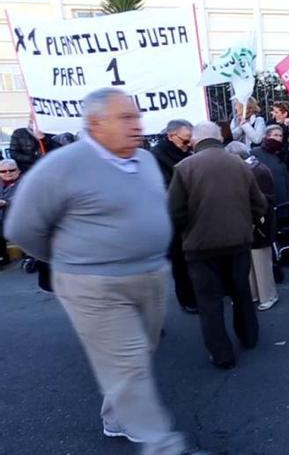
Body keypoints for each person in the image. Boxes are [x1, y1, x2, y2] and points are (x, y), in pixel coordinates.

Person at [4, 88, 190, 453]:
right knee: (127, 364)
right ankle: (162, 444)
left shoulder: (145, 161)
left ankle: (116, 418)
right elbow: (21, 228)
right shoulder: (61, 165)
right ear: (95, 123)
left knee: (137, 355)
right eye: (126, 118)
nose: (138, 125)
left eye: (137, 116)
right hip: (93, 283)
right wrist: (67, 260)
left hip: (149, 276)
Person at [168, 121, 267, 369]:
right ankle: (249, 336)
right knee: (241, 291)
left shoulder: (184, 167)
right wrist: (248, 224)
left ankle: (222, 353)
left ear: (195, 141)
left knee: (209, 301)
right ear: (220, 138)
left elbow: (175, 212)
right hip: (238, 241)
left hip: (200, 246)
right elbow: (259, 203)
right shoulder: (240, 164)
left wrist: (188, 231)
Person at [226, 142, 278, 311]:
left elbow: (265, 200)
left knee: (260, 261)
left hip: (259, 222)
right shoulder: (252, 168)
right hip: (252, 221)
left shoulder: (257, 171)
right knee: (251, 260)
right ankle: (255, 294)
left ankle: (268, 295)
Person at [151, 119, 197, 313]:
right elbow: (165, 187)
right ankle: (186, 299)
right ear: (171, 136)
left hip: (191, 212)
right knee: (180, 260)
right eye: (185, 140)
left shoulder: (185, 152)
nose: (188, 145)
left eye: (190, 140)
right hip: (172, 215)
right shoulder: (158, 157)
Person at [0, 159, 21, 267]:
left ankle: (30, 256)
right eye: (3, 171)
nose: (8, 173)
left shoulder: (26, 182)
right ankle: (2, 256)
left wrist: (6, 202)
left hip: (19, 217)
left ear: (18, 170)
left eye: (11, 170)